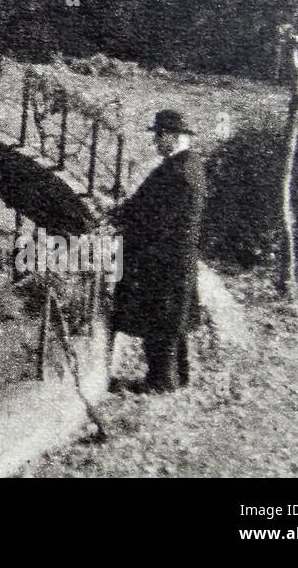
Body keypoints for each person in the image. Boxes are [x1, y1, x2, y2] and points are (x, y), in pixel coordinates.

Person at [109, 109, 206, 392]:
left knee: (161, 320)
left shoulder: (177, 173)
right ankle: (179, 377)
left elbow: (156, 219)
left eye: (159, 137)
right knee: (174, 320)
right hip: (175, 257)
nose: (155, 143)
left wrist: (125, 228)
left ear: (173, 137)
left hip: (164, 258)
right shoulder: (190, 166)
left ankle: (161, 382)